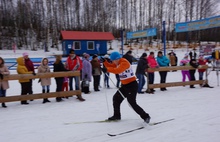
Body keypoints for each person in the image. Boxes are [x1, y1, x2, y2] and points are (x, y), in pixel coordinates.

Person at [102, 51, 151, 123]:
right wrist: (105, 62)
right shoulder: (117, 63)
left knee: (132, 103)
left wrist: (107, 69)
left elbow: (118, 70)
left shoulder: (124, 62)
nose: (113, 62)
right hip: (125, 86)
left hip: (132, 85)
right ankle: (117, 116)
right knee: (116, 98)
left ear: (116, 59)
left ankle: (146, 116)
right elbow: (111, 66)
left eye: (113, 60)